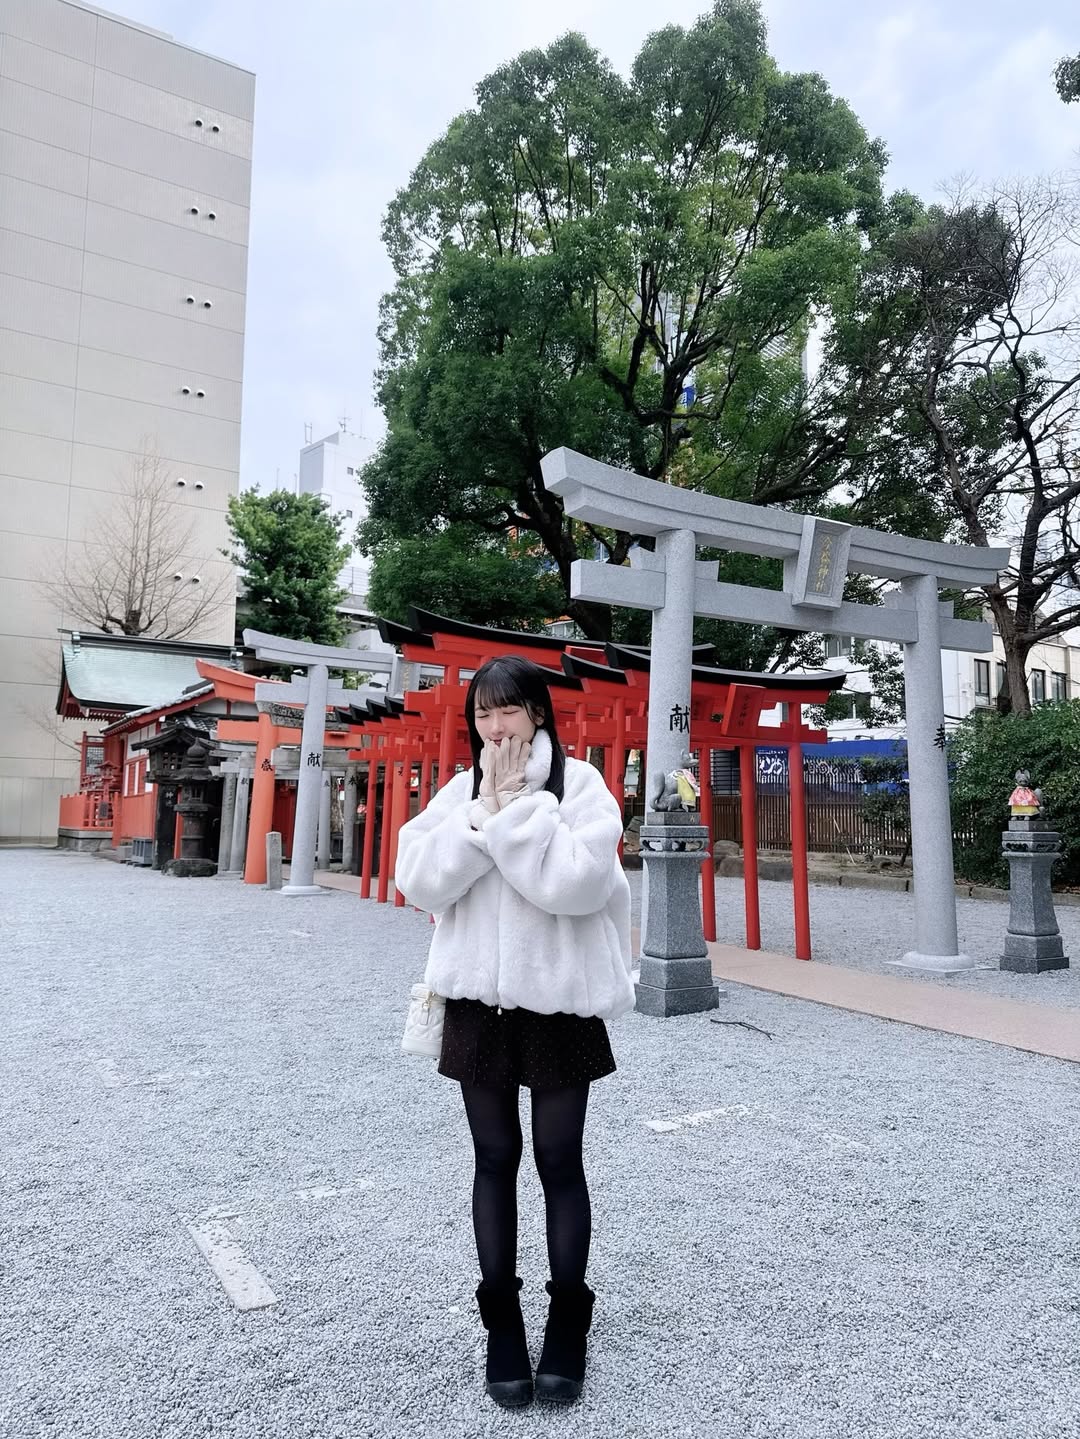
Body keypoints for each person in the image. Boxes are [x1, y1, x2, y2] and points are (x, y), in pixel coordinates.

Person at [394, 655, 634, 1409]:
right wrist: (480, 816)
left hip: (560, 1001)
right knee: (493, 1157)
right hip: (478, 1000)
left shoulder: (581, 786)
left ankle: (568, 1318)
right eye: (483, 714)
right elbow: (418, 880)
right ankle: (501, 1319)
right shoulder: (458, 792)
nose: (495, 728)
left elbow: (578, 885)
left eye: (508, 711)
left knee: (560, 1159)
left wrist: (513, 813)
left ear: (537, 713)